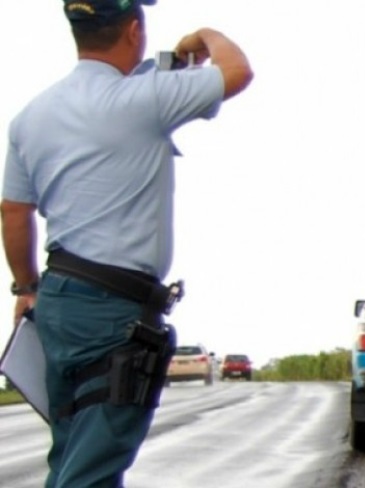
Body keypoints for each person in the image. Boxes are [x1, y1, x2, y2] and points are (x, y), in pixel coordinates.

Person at [0, 1, 253, 486]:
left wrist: (25, 289)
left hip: (57, 300)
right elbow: (237, 70)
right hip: (114, 311)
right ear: (134, 30)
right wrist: (203, 33)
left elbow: (14, 212)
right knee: (93, 467)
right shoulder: (146, 98)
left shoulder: (30, 117)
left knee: (73, 450)